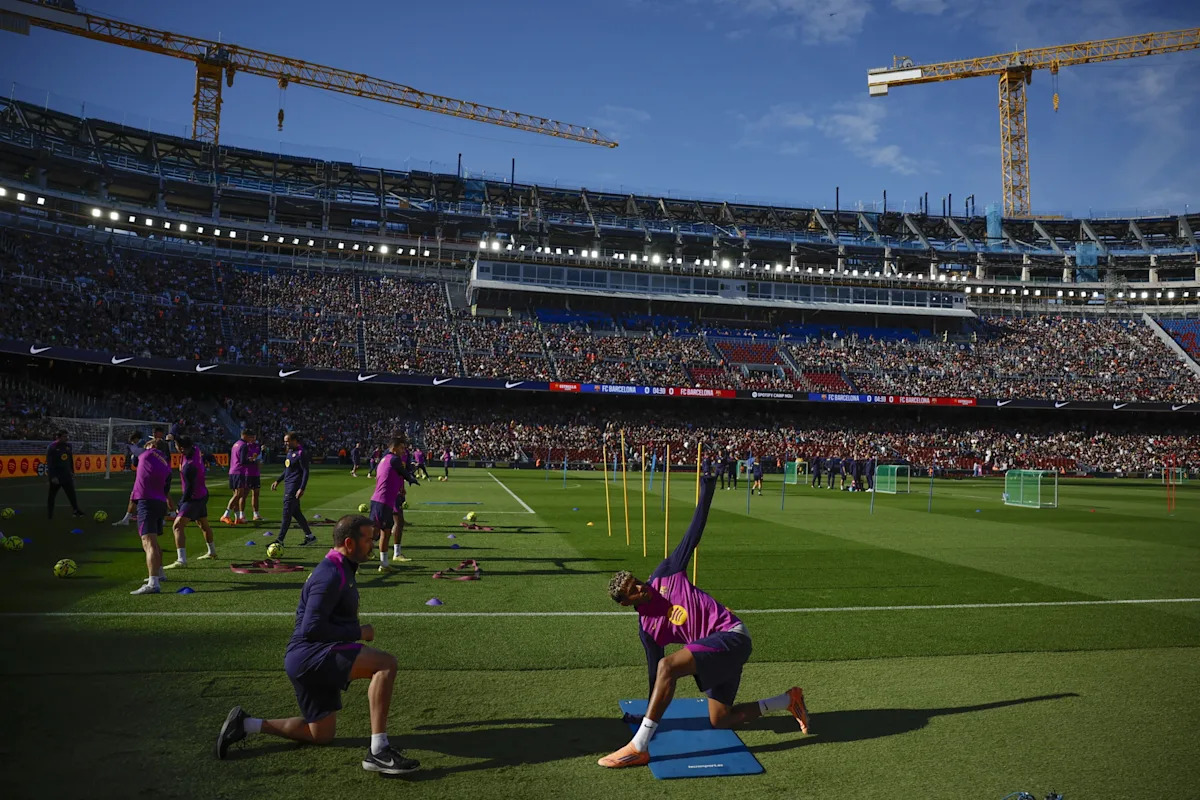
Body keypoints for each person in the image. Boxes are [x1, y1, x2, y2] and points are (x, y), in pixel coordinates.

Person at [598, 477, 809, 768]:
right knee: (721, 719)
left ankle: (639, 746)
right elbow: (653, 675)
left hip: (731, 636)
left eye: (636, 581)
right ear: (625, 603)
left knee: (668, 666)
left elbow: (692, 535)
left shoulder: (666, 573)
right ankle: (787, 700)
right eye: (632, 590)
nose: (640, 587)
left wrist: (706, 492)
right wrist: (648, 709)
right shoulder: (647, 630)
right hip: (715, 655)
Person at [215, 514, 419, 776]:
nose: (374, 544)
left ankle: (246, 724)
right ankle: (379, 751)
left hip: (305, 658)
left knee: (320, 734)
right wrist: (358, 631)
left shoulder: (341, 566)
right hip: (310, 655)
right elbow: (311, 628)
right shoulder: (330, 574)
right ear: (349, 542)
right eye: (368, 539)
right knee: (385, 665)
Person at [129, 442, 175, 595]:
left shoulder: (146, 453)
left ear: (152, 445)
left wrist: (131, 441)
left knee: (148, 543)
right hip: (159, 502)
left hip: (147, 502)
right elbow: (166, 488)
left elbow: (133, 448)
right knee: (154, 542)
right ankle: (160, 573)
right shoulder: (166, 463)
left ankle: (153, 583)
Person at [164, 435, 216, 569]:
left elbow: (189, 489)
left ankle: (181, 560)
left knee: (177, 526)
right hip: (203, 493)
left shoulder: (189, 466)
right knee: (203, 523)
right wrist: (174, 437)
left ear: (181, 449)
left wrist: (180, 504)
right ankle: (212, 552)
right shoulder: (195, 449)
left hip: (193, 497)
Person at [370, 435, 419, 572]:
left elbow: (390, 476)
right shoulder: (394, 459)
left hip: (383, 500)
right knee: (378, 534)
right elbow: (403, 473)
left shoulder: (385, 459)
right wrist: (411, 478)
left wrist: (400, 488)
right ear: (394, 447)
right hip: (383, 500)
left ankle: (382, 564)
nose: (404, 451)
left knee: (380, 533)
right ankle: (353, 562)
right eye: (402, 448)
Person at [272, 431, 316, 546]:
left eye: (287, 441)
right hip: (288, 485)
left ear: (295, 440)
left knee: (286, 513)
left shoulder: (301, 453)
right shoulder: (290, 452)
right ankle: (310, 537)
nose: (285, 443)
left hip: (294, 487)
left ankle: (279, 540)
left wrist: (302, 488)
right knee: (296, 513)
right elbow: (287, 470)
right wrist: (278, 480)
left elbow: (306, 472)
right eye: (285, 441)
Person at [46, 429, 84, 519]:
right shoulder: (52, 447)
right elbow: (50, 463)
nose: (66, 438)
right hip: (57, 476)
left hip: (66, 475)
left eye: (67, 436)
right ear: (58, 437)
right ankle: (50, 514)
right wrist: (53, 476)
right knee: (52, 495)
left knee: (71, 494)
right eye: (64, 436)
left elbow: (70, 460)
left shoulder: (68, 446)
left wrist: (72, 472)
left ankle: (76, 510)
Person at [221, 429, 255, 525]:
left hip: (232, 471)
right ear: (245, 436)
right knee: (239, 494)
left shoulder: (236, 444)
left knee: (236, 494)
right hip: (239, 472)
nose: (251, 439)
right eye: (250, 437)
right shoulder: (244, 445)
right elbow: (242, 461)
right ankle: (226, 514)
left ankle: (237, 518)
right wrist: (252, 460)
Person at [247, 434, 264, 522]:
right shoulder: (245, 446)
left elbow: (259, 459)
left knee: (256, 494)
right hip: (247, 473)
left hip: (255, 473)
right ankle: (240, 514)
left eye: (254, 437)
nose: (253, 439)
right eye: (251, 437)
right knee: (243, 495)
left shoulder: (257, 447)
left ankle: (256, 514)